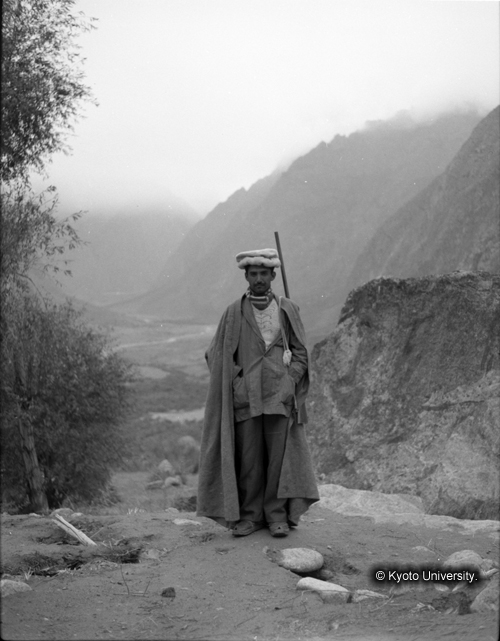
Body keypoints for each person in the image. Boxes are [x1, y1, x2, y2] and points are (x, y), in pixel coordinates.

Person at [197, 248, 319, 537]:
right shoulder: (233, 312)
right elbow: (216, 354)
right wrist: (237, 383)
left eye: (264, 273)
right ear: (246, 277)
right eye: (254, 274)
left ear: (273, 275)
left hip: (279, 397)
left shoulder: (287, 309)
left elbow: (301, 353)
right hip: (246, 399)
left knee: (279, 460)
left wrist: (290, 381)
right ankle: (251, 517)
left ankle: (276, 516)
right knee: (249, 460)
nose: (259, 279)